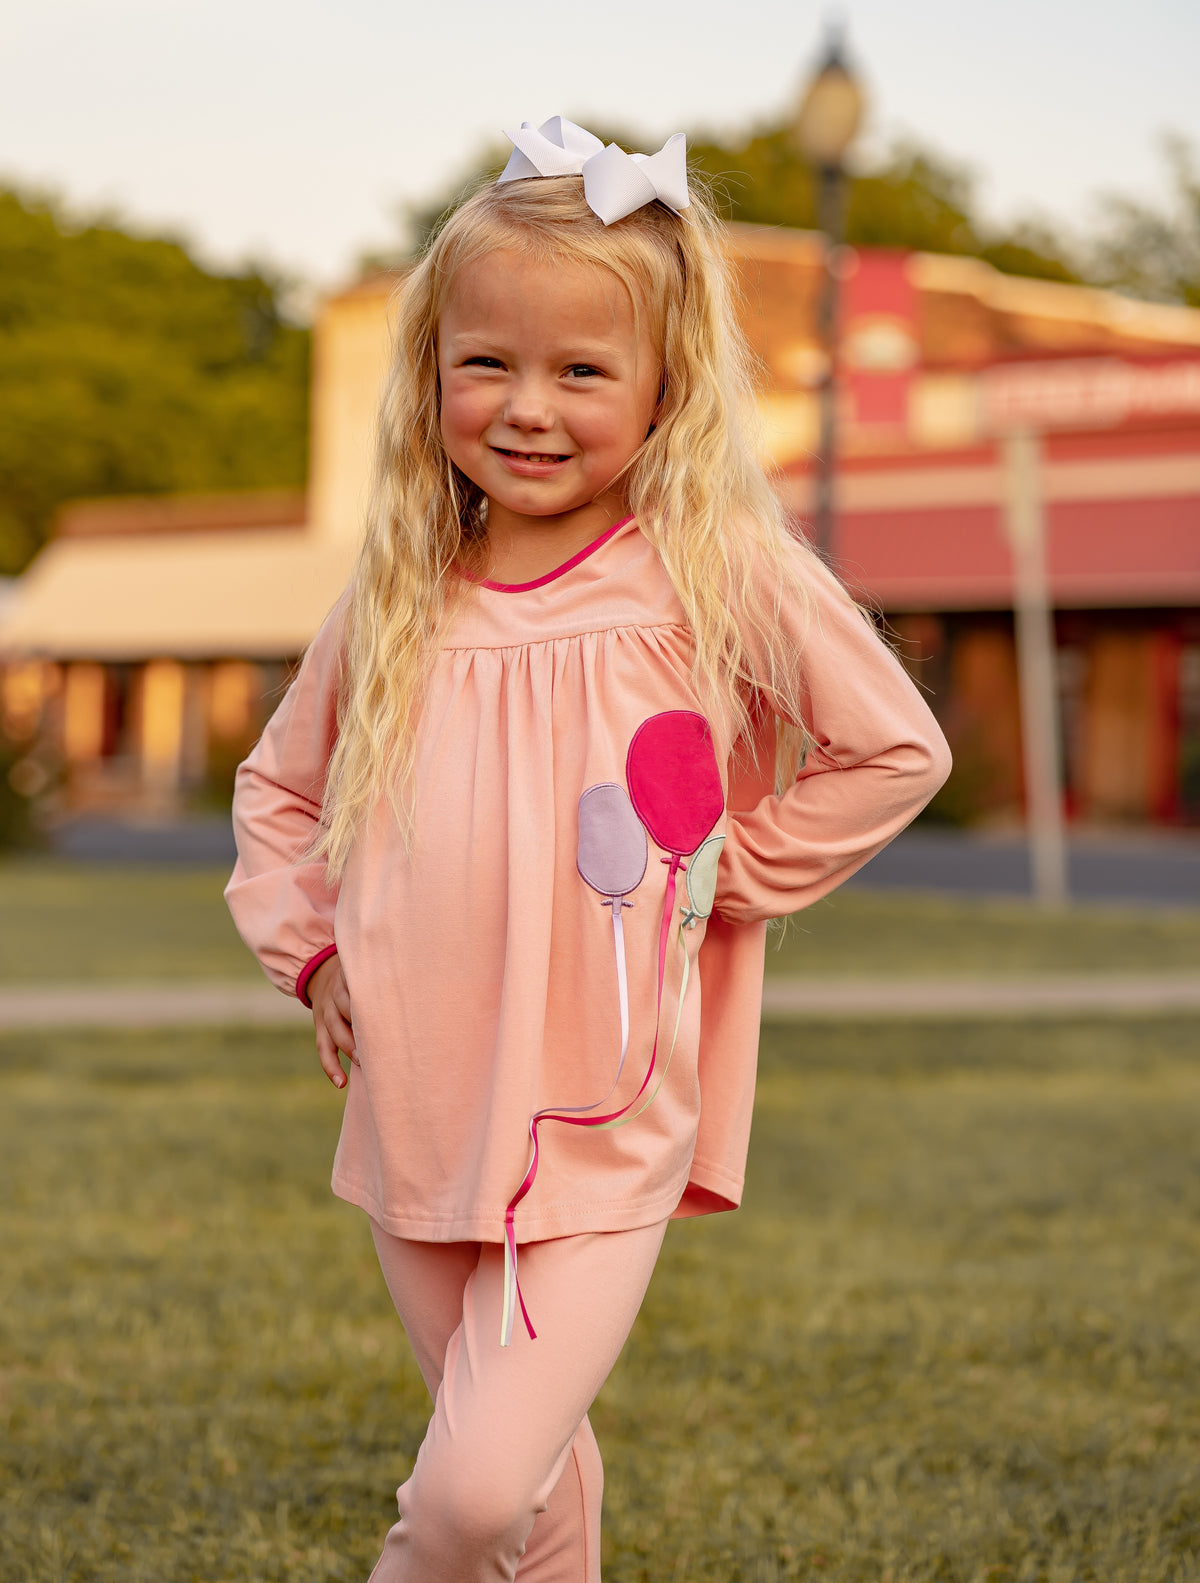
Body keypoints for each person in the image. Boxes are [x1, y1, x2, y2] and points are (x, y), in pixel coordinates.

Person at [225, 115, 951, 1583]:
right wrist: (312, 955)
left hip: (602, 1114)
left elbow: (895, 747)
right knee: (536, 1489)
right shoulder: (401, 593)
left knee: (471, 1498)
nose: (527, 408)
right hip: (417, 1100)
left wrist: (724, 873)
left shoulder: (713, 569)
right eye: (487, 362)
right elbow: (278, 792)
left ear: (664, 387)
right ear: (431, 371)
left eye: (581, 372)